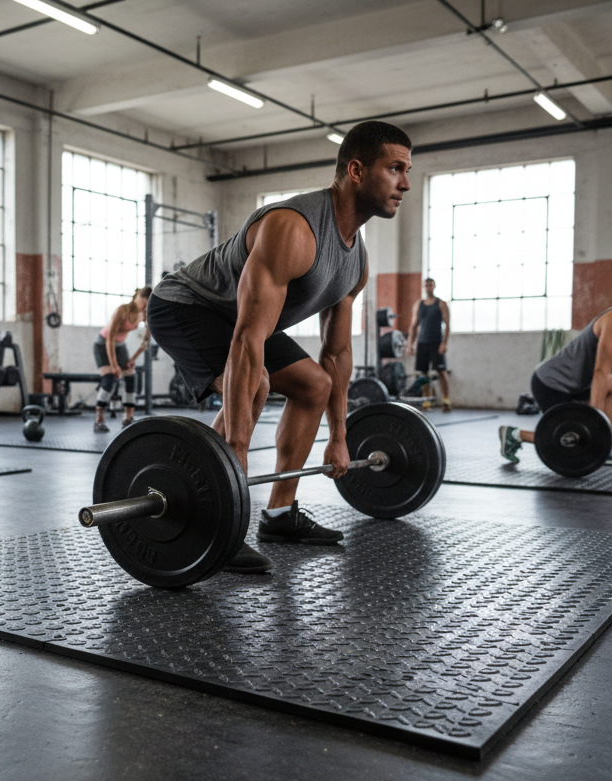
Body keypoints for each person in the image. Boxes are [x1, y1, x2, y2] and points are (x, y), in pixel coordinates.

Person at [148, 120, 413, 574]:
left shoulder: (356, 262)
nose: (405, 183)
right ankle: (216, 520)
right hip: (186, 306)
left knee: (315, 385)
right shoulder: (293, 228)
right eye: (395, 169)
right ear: (356, 170)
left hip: (242, 320)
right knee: (255, 385)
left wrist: (340, 437)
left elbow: (336, 355)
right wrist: (236, 452)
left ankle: (279, 515)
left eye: (407, 171)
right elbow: (248, 340)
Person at [498, 265, 612, 467]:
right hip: (551, 383)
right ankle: (514, 434)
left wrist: (603, 424)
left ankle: (602, 447)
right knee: (570, 436)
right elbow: (601, 372)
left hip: (578, 384)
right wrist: (595, 418)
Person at [94, 286, 151, 432]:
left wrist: (132, 359)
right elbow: (110, 338)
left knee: (131, 377)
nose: (144, 306)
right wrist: (114, 365)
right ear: (137, 297)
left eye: (147, 303)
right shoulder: (123, 310)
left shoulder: (145, 314)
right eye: (143, 301)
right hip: (103, 344)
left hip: (120, 346)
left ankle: (128, 418)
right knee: (109, 379)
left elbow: (146, 342)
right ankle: (99, 420)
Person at [406, 277, 451, 412]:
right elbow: (413, 326)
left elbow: (447, 325)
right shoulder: (418, 304)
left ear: (434, 286)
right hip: (422, 343)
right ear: (423, 287)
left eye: (430, 285)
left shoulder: (441, 304)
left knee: (441, 371)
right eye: (426, 285)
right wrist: (410, 344)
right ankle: (426, 401)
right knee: (423, 374)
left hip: (436, 342)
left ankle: (446, 400)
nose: (428, 287)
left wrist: (444, 343)